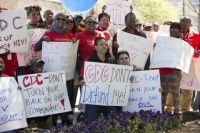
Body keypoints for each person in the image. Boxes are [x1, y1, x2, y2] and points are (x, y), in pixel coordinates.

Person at [35, 12, 75, 126]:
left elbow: (73, 51)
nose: (61, 21)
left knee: (65, 95)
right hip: (52, 73)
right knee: (53, 96)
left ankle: (64, 119)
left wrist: (74, 42)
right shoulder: (48, 33)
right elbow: (36, 48)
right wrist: (43, 39)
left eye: (63, 19)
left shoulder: (70, 35)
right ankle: (53, 118)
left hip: (66, 72)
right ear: (54, 21)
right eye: (58, 19)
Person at [79, 36, 116, 121]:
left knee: (114, 118)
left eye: (105, 44)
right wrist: (82, 81)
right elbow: (82, 76)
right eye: (101, 44)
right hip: (93, 97)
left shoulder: (111, 60)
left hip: (108, 96)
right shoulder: (89, 60)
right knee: (90, 120)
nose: (104, 46)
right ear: (95, 47)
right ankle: (80, 118)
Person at [157, 22, 182, 114]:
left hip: (175, 72)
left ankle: (176, 113)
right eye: (172, 28)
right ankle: (161, 111)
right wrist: (157, 48)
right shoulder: (163, 42)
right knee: (163, 93)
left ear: (180, 32)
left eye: (176, 28)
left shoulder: (183, 44)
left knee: (175, 93)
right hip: (163, 71)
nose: (173, 30)